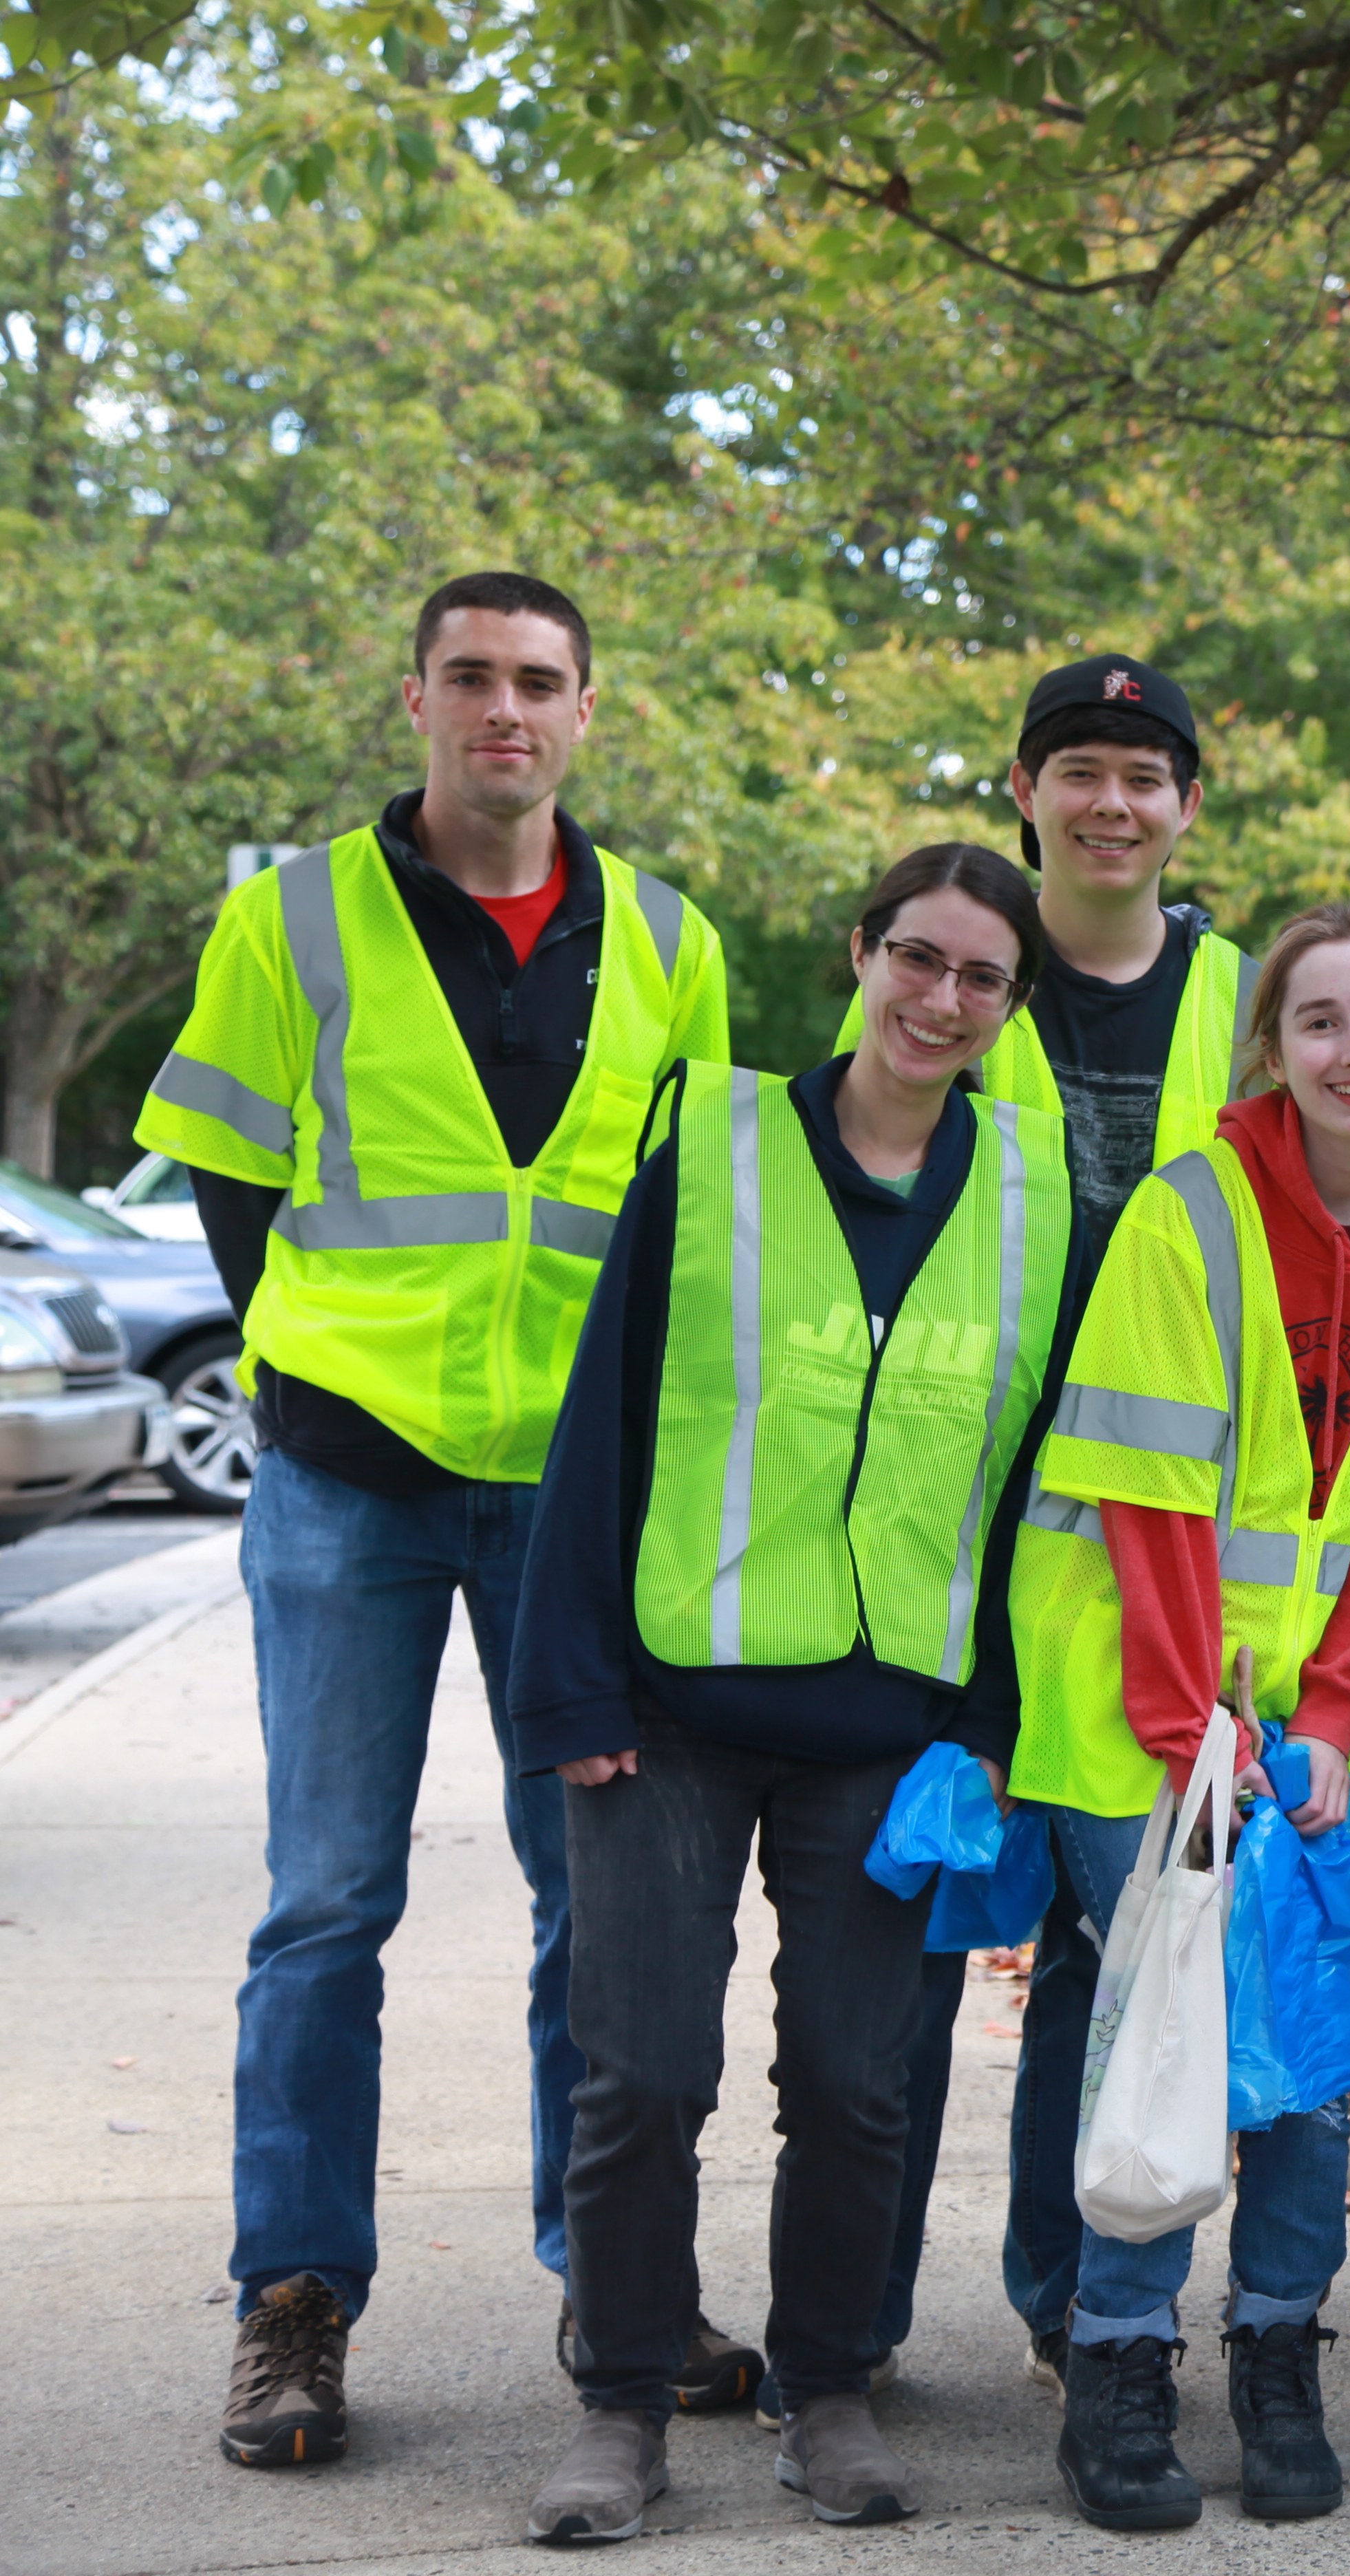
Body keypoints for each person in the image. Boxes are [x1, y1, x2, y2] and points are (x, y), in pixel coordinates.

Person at [136, 572, 733, 2470]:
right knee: (329, 1902)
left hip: (569, 1502)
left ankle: (610, 2284)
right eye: (470, 677)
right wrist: (317, 1367)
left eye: (538, 681)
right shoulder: (287, 916)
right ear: (414, 700)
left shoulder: (670, 940)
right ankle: (294, 2304)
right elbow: (236, 1182)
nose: (505, 710)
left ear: (584, 709)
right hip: (347, 1482)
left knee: (594, 1911)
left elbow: (682, 1234)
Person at [508, 843, 1081, 2542]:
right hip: (671, 1702)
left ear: (1010, 1007)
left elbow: (1037, 1480)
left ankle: (829, 2382)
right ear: (861, 950)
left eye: (984, 977)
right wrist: (572, 1684)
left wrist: (990, 1721)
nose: (942, 998)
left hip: (890, 1726)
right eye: (919, 956)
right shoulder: (718, 1141)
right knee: (641, 2066)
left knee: (855, 2075)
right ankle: (620, 2402)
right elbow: (601, 1416)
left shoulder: (1045, 1198)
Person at [1011, 899, 1350, 2529]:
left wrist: (1340, 1719)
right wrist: (1187, 1732)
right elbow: (1145, 1497)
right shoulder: (1191, 1211)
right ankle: (1119, 2360)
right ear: (1273, 1048)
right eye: (1321, 1021)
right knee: (1174, 2032)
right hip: (1137, 1703)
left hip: (1310, 1725)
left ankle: (1280, 2348)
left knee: (1304, 2055)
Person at [841, 653, 1262, 2399]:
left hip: (1141, 1527)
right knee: (911, 1922)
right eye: (1078, 767)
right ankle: (849, 2311)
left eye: (1144, 774)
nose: (1112, 801)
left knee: (1106, 1939)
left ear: (1182, 805)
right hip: (941, 1507)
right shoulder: (954, 963)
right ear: (1029, 789)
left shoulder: (1243, 990)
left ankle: (1061, 2283)